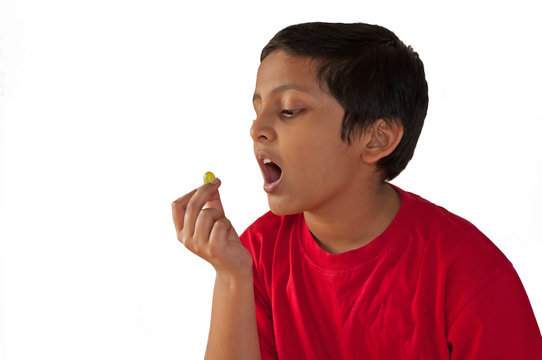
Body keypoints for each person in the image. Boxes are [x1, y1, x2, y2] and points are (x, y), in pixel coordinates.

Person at [171, 22, 542, 359]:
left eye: (289, 110)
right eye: (258, 110)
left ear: (376, 138)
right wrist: (231, 276)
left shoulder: (470, 272)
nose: (257, 130)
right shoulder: (257, 254)